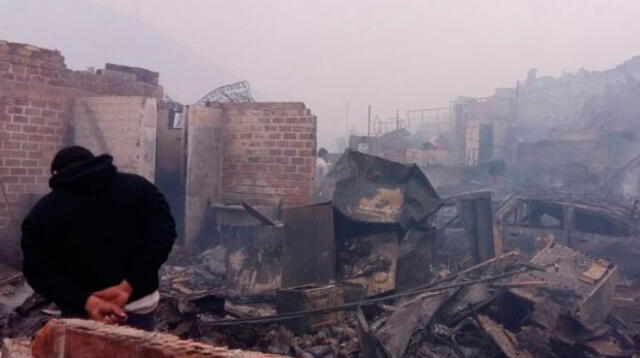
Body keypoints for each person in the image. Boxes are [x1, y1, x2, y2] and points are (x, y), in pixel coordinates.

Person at [21, 146, 176, 330]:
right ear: (93, 162)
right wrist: (128, 286)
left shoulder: (42, 213)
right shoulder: (140, 188)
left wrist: (88, 302)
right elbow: (163, 235)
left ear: (55, 173)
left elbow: (36, 269)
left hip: (82, 313)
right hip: (139, 304)